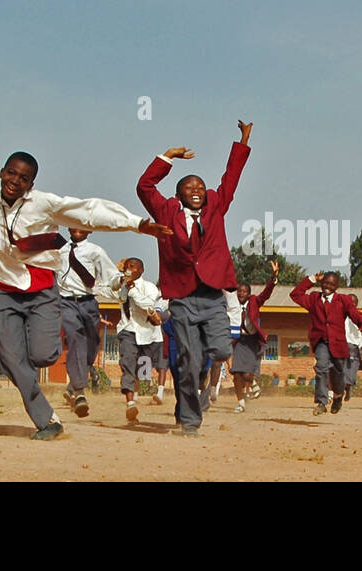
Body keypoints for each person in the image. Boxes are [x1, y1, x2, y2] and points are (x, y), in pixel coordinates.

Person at [0, 144, 172, 440]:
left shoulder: (43, 204)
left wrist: (136, 224)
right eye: (11, 173)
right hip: (4, 292)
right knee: (12, 361)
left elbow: (88, 211)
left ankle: (23, 355)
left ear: (31, 184)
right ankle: (48, 421)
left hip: (41, 290)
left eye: (23, 178)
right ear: (1, 173)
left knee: (43, 354)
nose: (15, 181)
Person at [136, 120, 253, 436]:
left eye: (200, 187)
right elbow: (144, 187)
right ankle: (189, 420)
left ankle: (202, 380)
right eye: (190, 188)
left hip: (212, 296)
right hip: (183, 299)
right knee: (187, 362)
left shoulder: (216, 206)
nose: (197, 191)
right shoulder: (166, 211)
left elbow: (231, 177)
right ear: (178, 195)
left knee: (222, 351)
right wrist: (167, 157)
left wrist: (243, 140)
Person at [57, 227, 120, 419]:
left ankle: (72, 387)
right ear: (68, 226)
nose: (77, 228)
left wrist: (121, 281)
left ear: (90, 229)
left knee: (91, 347)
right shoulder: (58, 250)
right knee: (74, 339)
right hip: (66, 302)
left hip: (88, 303)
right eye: (74, 223)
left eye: (82, 224)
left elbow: (111, 275)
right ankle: (79, 393)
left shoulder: (95, 251)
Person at [290, 272, 362, 415]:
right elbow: (295, 294)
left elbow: (355, 314)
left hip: (338, 344)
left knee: (337, 374)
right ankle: (321, 402)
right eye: (326, 283)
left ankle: (338, 397)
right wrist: (312, 279)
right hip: (321, 342)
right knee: (321, 367)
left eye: (332, 284)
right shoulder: (314, 298)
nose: (328, 286)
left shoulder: (343, 300)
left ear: (337, 286)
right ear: (321, 283)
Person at [112, 257, 167, 423]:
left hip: (148, 334)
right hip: (127, 330)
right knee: (127, 363)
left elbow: (148, 305)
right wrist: (120, 279)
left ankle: (157, 392)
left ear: (141, 270)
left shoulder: (149, 287)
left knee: (146, 368)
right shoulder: (121, 285)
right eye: (127, 267)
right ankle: (130, 403)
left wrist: (133, 290)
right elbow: (110, 285)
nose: (130, 270)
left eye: (133, 267)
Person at [231, 261, 279, 413]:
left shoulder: (254, 302)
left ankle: (253, 383)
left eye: (244, 291)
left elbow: (266, 294)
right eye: (239, 291)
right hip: (239, 341)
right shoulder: (232, 304)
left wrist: (273, 278)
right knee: (236, 373)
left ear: (249, 294)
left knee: (246, 374)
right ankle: (240, 403)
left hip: (253, 341)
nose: (241, 294)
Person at [343, 293, 362, 404]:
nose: (351, 304)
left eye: (353, 303)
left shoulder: (360, 316)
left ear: (357, 304)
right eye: (349, 302)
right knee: (341, 369)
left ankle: (348, 386)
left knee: (352, 370)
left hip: (354, 346)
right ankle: (340, 389)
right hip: (341, 345)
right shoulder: (339, 315)